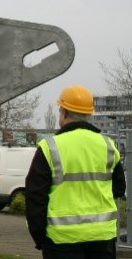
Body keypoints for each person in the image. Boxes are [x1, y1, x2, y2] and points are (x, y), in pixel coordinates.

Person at [25, 85, 126, 258]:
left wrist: (40, 237)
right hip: (102, 239)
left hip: (61, 241)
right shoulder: (108, 145)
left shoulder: (50, 148)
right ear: (89, 115)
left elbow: (35, 197)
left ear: (63, 112)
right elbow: (119, 188)